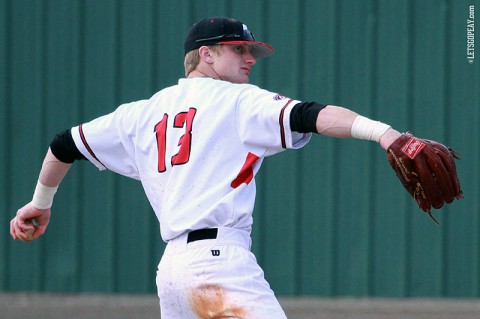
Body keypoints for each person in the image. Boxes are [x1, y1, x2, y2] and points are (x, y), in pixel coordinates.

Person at [9, 17, 454, 318]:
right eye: (238, 49)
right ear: (205, 55)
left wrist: (39, 202)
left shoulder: (139, 113)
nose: (249, 58)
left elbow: (62, 145)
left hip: (173, 273)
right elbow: (311, 115)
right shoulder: (238, 100)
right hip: (218, 264)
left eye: (251, 51)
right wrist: (385, 133)